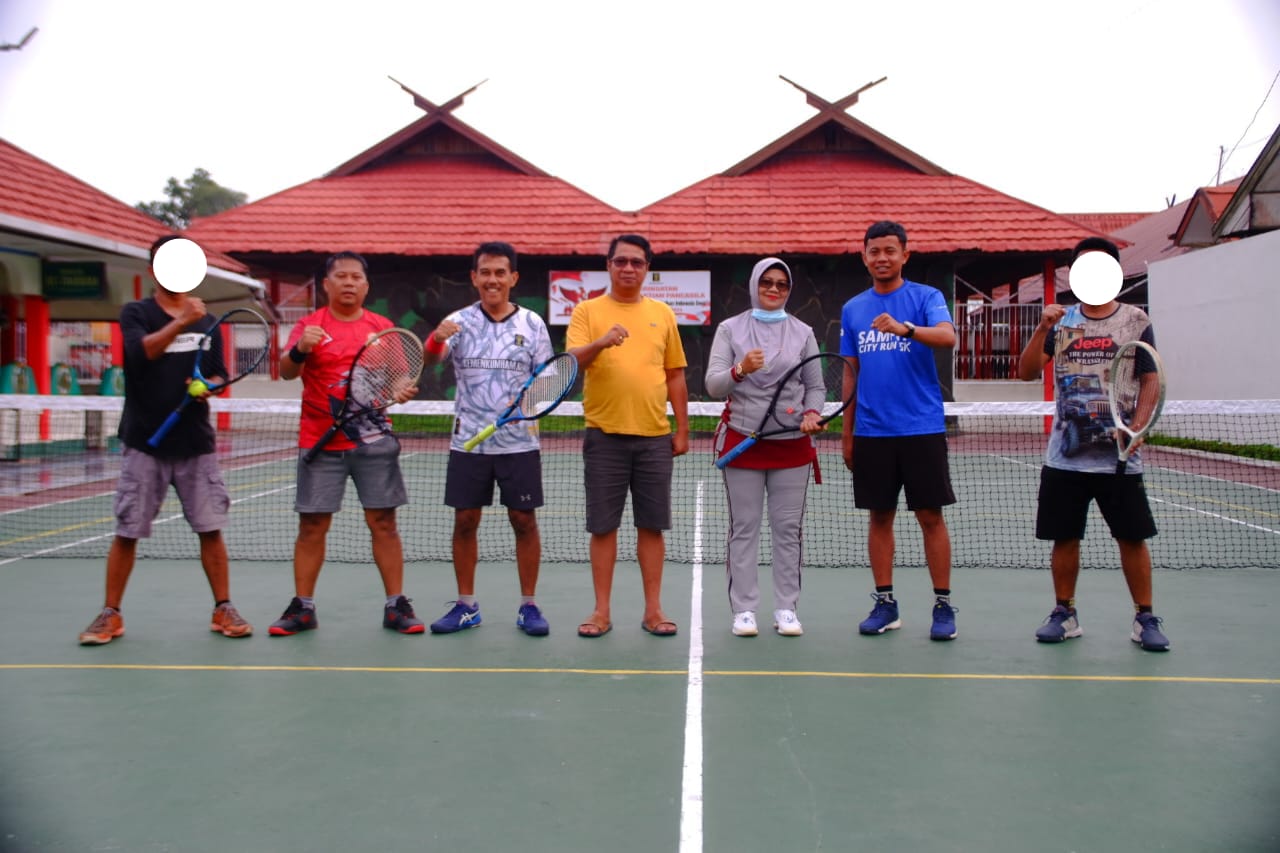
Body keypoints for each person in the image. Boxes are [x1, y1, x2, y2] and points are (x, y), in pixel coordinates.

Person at [78, 235, 252, 644]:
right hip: (145, 442)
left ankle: (223, 608)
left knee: (211, 530)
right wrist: (181, 322)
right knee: (127, 532)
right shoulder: (136, 313)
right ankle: (111, 614)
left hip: (196, 443)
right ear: (152, 268)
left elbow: (219, 377)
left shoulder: (211, 322)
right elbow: (142, 354)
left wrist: (206, 386)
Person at [1018, 237, 1169, 651]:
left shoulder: (1135, 320)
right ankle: (1064, 613)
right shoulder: (1061, 321)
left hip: (1119, 457)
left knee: (1131, 539)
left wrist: (1137, 428)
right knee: (1064, 538)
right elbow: (1027, 372)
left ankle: (1145, 618)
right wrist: (1042, 329)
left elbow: (1150, 377)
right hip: (1064, 457)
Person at [268, 251, 424, 636]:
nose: (349, 283)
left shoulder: (382, 328)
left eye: (356, 277)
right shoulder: (309, 326)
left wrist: (402, 390)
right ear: (327, 283)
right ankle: (302, 607)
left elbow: (399, 378)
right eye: (341, 276)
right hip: (320, 442)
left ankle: (396, 605)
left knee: (383, 523)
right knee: (312, 525)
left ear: (366, 285)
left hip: (374, 441)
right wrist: (302, 348)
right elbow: (287, 372)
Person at [422, 242, 554, 637]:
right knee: (465, 521)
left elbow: (547, 380)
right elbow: (431, 361)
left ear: (513, 278)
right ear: (474, 277)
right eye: (485, 272)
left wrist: (526, 404)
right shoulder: (457, 322)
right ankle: (466, 606)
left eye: (500, 272)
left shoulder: (532, 324)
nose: (492, 279)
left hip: (520, 443)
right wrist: (434, 338)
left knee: (523, 521)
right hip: (468, 443)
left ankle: (529, 606)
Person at [839, 220, 959, 641]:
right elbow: (850, 372)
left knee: (930, 516)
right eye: (874, 251)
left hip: (920, 428)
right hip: (873, 432)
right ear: (864, 255)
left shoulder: (927, 297)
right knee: (880, 517)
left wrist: (905, 328)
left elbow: (948, 337)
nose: (882, 258)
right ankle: (885, 603)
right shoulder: (853, 309)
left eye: (890, 250)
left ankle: (943, 606)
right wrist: (847, 433)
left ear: (905, 254)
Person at [566, 234, 689, 638]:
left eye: (637, 262)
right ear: (608, 266)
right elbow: (572, 364)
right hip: (603, 436)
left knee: (651, 527)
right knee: (603, 528)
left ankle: (653, 611)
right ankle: (600, 612)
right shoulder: (587, 311)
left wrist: (682, 429)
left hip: (654, 438)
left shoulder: (662, 314)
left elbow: (675, 374)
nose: (628, 268)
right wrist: (601, 342)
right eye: (621, 261)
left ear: (647, 268)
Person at [705, 258, 824, 637]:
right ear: (755, 284)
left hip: (792, 445)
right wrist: (740, 370)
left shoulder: (803, 332)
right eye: (767, 283)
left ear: (789, 290)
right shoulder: (730, 329)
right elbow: (713, 384)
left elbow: (816, 386)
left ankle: (787, 609)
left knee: (788, 529)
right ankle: (744, 610)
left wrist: (811, 412)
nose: (774, 289)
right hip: (744, 441)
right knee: (745, 527)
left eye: (782, 284)